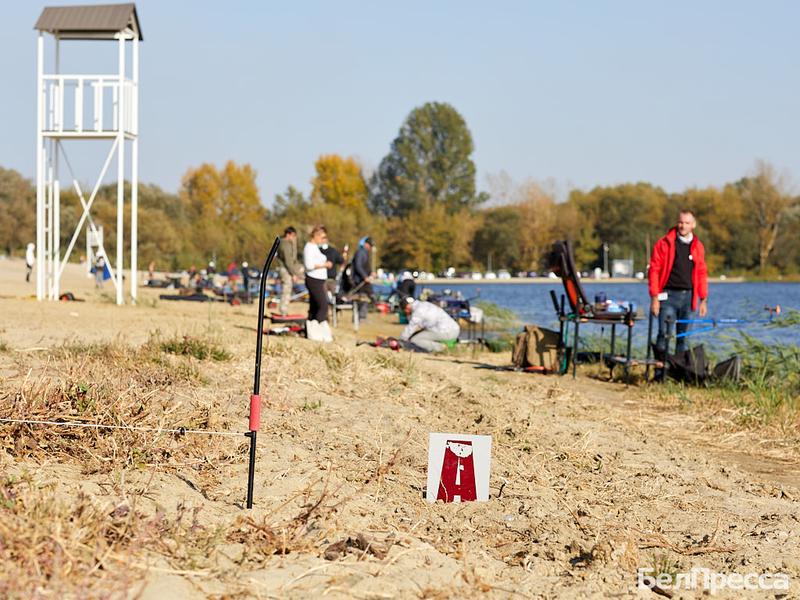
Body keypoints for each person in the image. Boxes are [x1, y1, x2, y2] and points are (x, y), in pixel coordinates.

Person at [649, 209, 708, 357]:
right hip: (667, 296)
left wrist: (703, 299)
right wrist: (654, 297)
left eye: (687, 223)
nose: (683, 226)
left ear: (693, 225)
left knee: (684, 338)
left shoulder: (698, 247)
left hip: (689, 298)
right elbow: (654, 270)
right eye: (681, 222)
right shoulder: (664, 243)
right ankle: (660, 372)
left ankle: (678, 373)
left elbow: (701, 273)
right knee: (664, 334)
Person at [304, 226, 334, 341]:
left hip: (319, 280)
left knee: (314, 306)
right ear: (316, 235)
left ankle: (311, 330)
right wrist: (325, 265)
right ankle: (317, 329)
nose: (324, 240)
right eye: (322, 237)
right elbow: (309, 265)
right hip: (313, 280)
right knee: (323, 305)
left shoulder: (315, 247)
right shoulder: (309, 247)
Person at [277, 226, 303, 314]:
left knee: (287, 289)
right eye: (293, 235)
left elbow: (294, 259)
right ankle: (283, 310)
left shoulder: (288, 243)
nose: (294, 238)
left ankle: (283, 309)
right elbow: (288, 261)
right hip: (286, 269)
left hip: (288, 269)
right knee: (286, 289)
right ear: (288, 234)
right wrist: (294, 274)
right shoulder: (285, 244)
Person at [352, 236, 375, 319]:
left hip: (365, 280)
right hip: (360, 281)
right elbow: (358, 266)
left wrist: (371, 272)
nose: (370, 247)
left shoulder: (365, 252)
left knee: (367, 297)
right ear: (365, 244)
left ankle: (362, 317)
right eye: (369, 245)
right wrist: (365, 276)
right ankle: (360, 318)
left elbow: (366, 266)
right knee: (363, 298)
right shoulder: (360, 252)